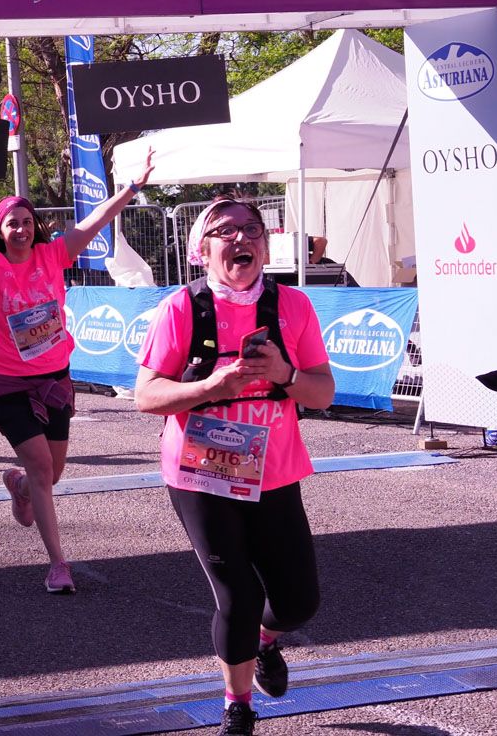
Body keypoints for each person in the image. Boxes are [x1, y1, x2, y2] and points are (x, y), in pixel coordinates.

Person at [0, 149, 154, 595]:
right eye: (11, 223)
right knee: (41, 467)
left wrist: (131, 188)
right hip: (11, 384)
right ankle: (59, 564)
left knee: (50, 474)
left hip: (56, 379)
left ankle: (16, 485)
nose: (20, 229)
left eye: (26, 221)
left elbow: (94, 220)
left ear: (35, 225)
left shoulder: (53, 255)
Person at [133, 197, 335, 736]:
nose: (241, 239)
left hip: (273, 470)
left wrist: (286, 374)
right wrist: (210, 387)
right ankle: (238, 707)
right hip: (201, 471)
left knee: (297, 603)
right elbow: (146, 396)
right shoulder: (183, 307)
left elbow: (322, 393)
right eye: (226, 232)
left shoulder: (292, 306)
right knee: (238, 596)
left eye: (252, 229)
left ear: (266, 245)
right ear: (204, 249)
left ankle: (268, 642)